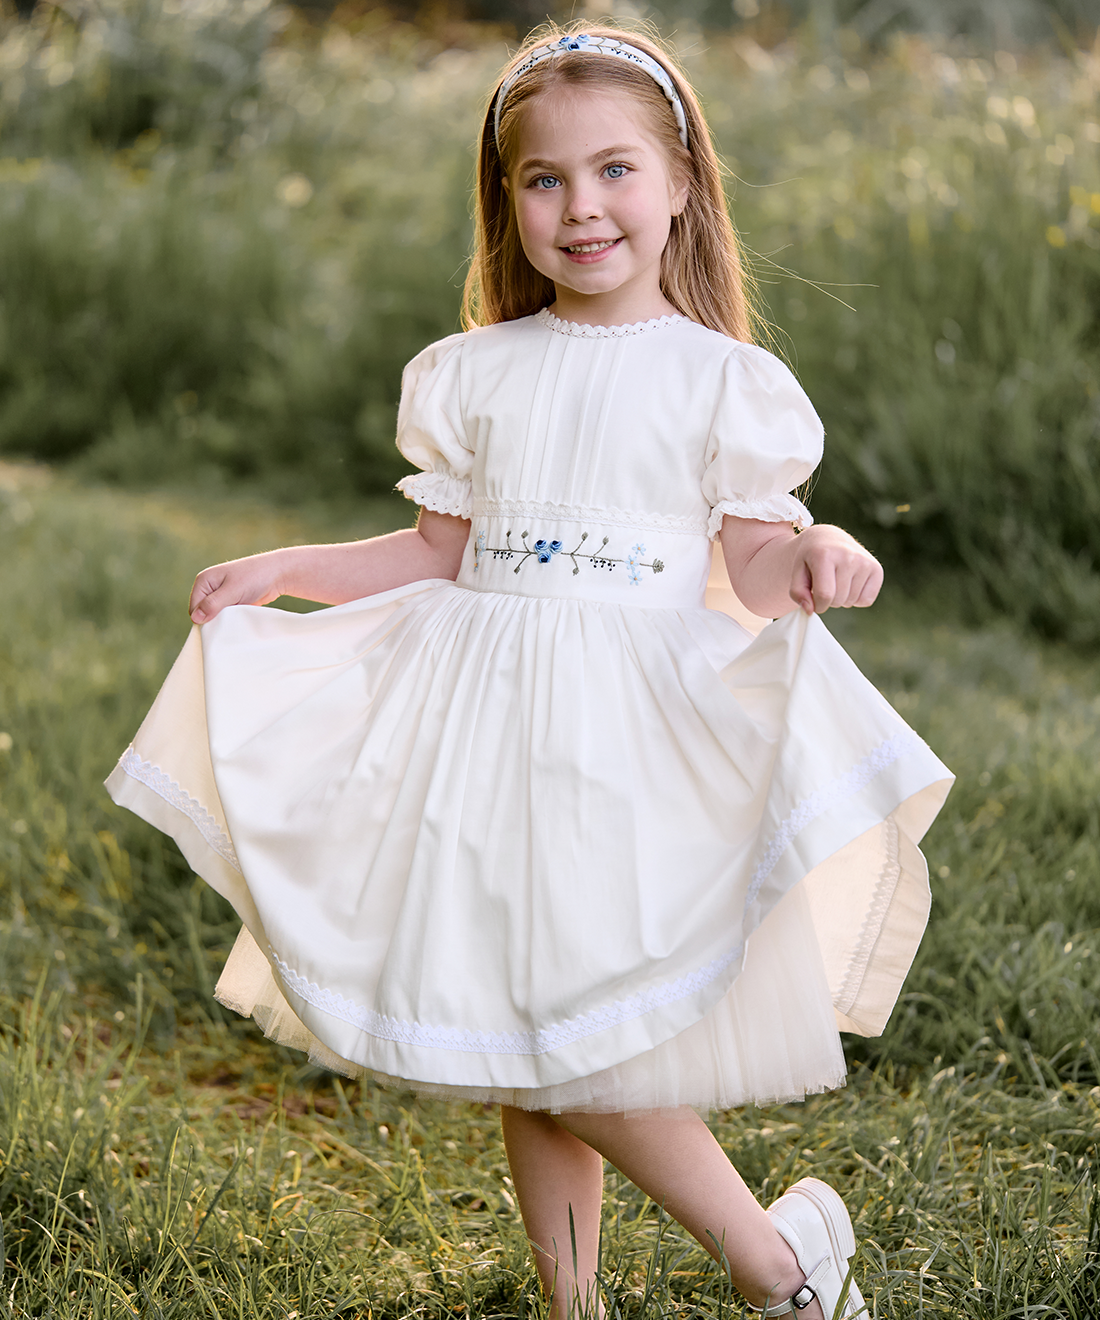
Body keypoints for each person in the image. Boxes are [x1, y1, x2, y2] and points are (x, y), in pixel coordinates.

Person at [107, 23, 953, 1319]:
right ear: (507, 202)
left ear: (681, 185)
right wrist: (288, 566)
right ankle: (576, 1302)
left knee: (573, 1034)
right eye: (543, 179)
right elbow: (437, 549)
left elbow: (755, 561)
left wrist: (822, 549)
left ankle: (776, 1268)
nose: (582, 206)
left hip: (629, 735)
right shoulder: (477, 373)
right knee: (524, 1031)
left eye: (615, 170)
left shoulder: (721, 381)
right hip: (486, 729)